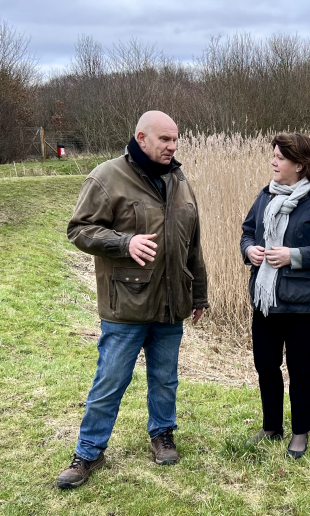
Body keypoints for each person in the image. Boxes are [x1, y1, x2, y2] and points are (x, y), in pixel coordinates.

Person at [57, 111, 209, 489]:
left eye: (175, 140)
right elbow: (79, 229)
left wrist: (199, 294)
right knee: (110, 381)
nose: (172, 147)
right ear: (141, 138)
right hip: (126, 304)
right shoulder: (108, 176)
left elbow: (193, 244)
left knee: (165, 380)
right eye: (164, 140)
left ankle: (162, 435)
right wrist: (125, 243)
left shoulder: (179, 179)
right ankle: (88, 452)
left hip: (171, 304)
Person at [240, 133, 310, 459]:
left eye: (280, 157)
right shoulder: (265, 195)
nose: (273, 161)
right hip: (266, 298)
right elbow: (247, 231)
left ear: (300, 165)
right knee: (265, 365)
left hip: (303, 301)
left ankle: (300, 432)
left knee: (300, 368)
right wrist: (250, 251)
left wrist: (294, 256)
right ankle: (271, 426)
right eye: (273, 155)